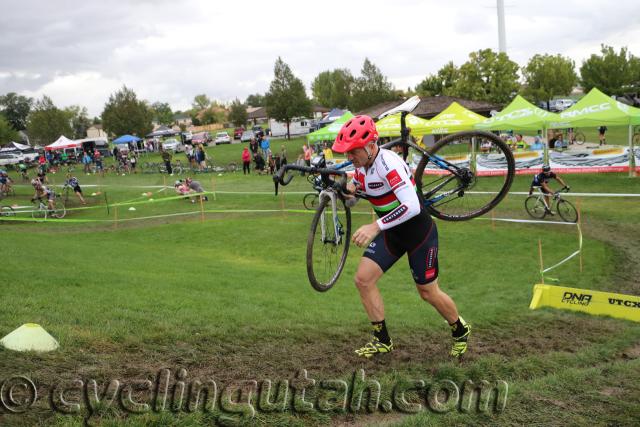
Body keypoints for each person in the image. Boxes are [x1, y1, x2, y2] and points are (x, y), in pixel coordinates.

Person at [332, 115, 471, 359]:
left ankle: (460, 329)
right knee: (363, 280)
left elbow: (412, 206)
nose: (349, 157)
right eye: (348, 153)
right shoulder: (361, 167)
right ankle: (382, 340)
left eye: (353, 152)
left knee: (427, 292)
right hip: (392, 233)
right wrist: (343, 192)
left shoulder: (389, 164)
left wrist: (375, 226)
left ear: (370, 145)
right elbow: (354, 197)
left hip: (418, 233)